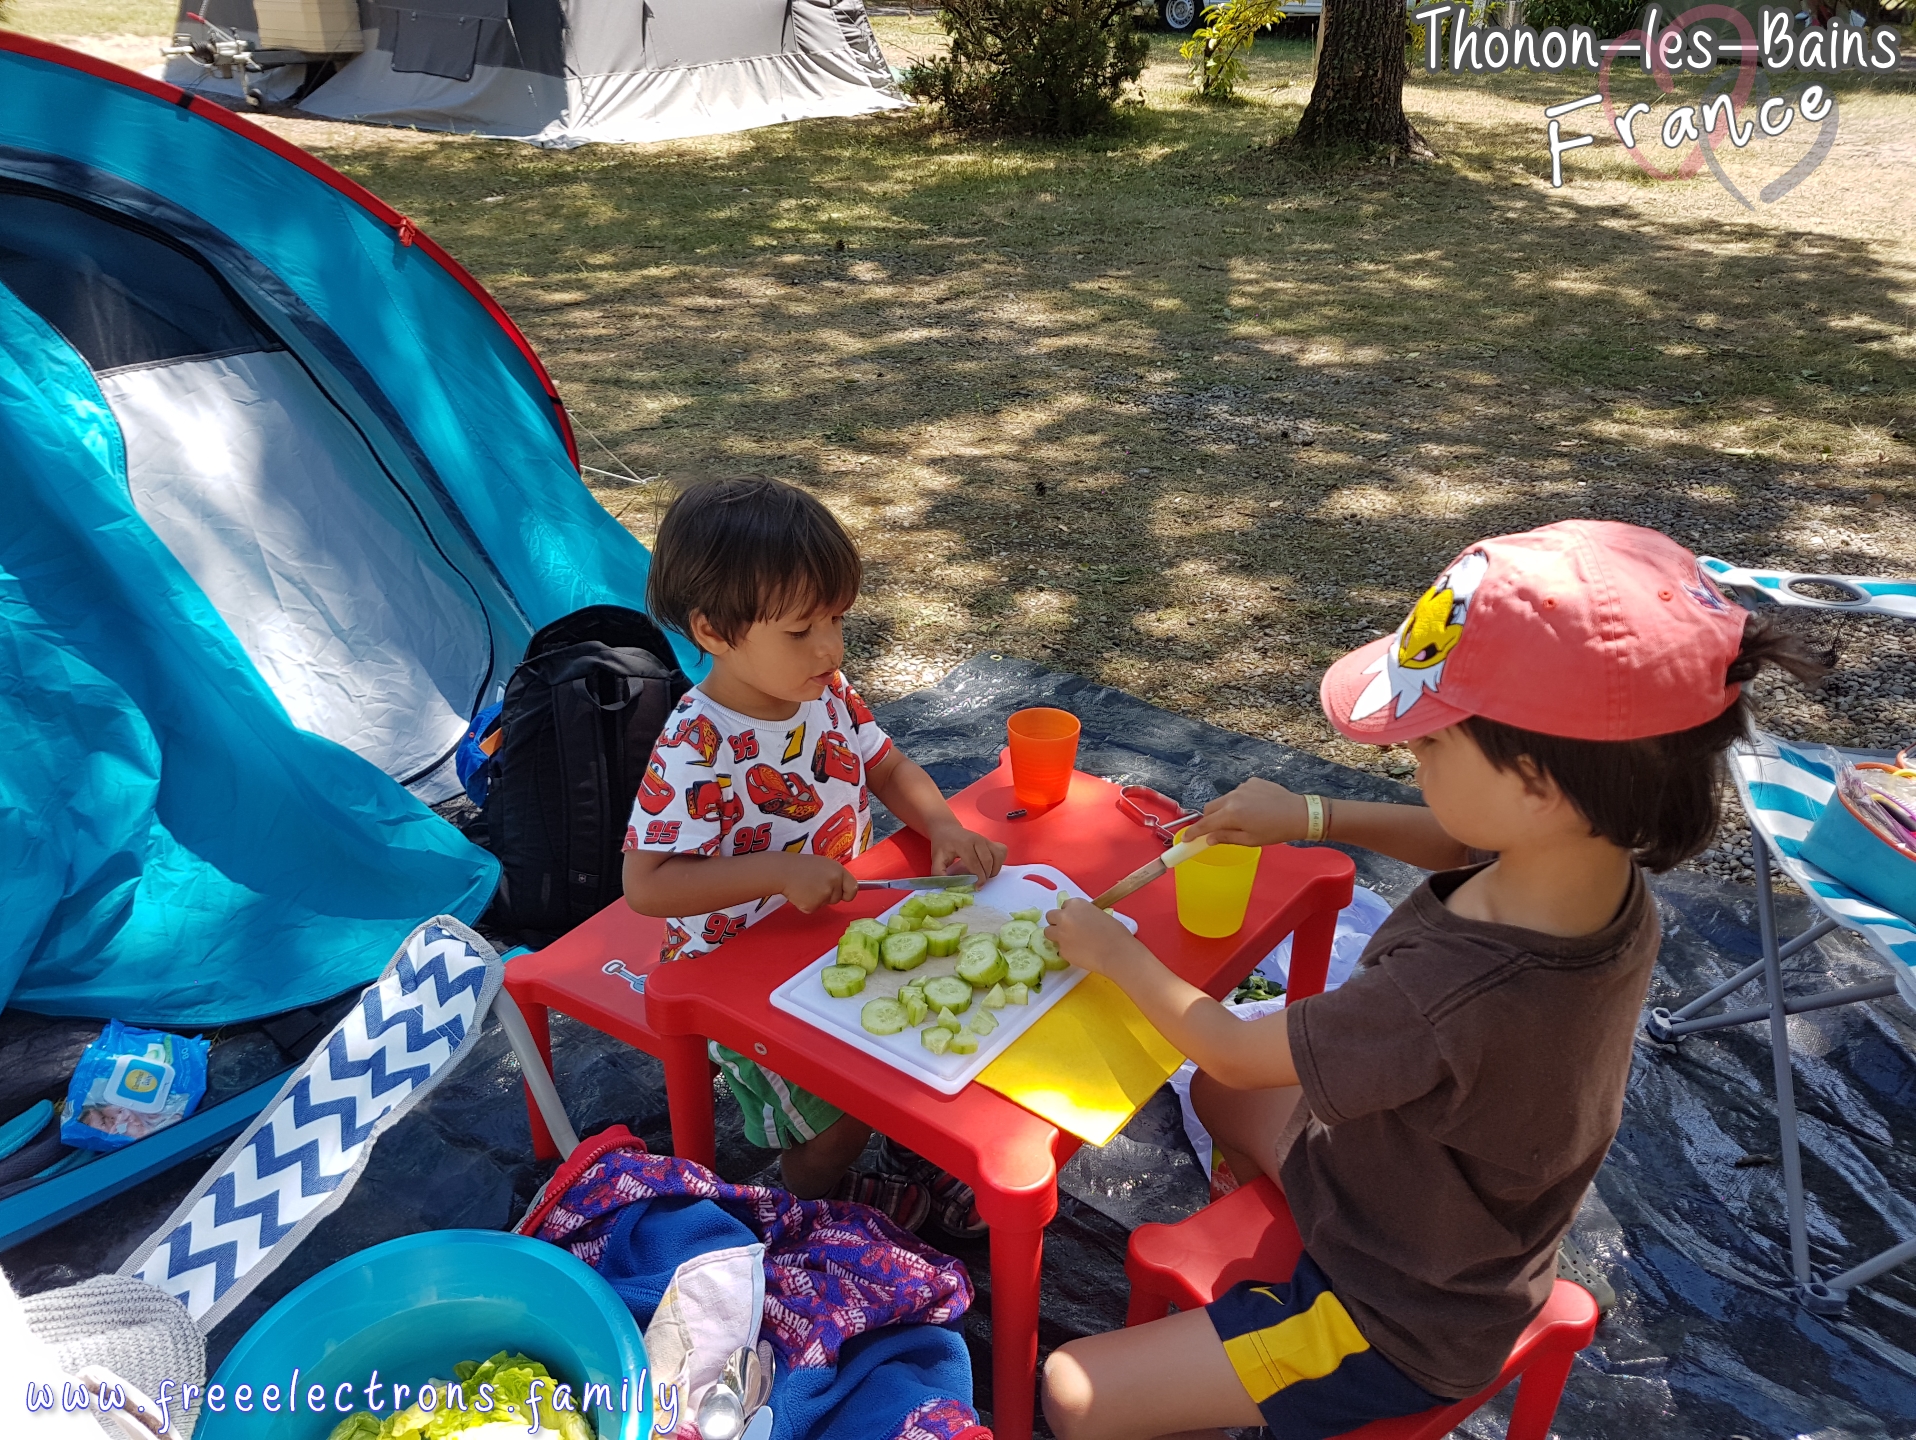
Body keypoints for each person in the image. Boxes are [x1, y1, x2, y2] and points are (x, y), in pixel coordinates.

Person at [1038, 521, 1822, 1440]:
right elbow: (1460, 839)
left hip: (1399, 1314)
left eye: (1429, 749)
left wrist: (1111, 948)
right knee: (1212, 1099)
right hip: (1424, 1198)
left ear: (1535, 783)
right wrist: (1309, 813)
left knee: (1072, 1389)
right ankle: (1256, 1270)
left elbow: (1237, 1048)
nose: (1410, 758)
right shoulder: (1594, 872)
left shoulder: (1450, 990)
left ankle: (1274, 1337)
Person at [623, 475, 1006, 1235]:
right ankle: (811, 1197)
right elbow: (646, 885)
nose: (830, 648)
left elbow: (888, 766)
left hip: (832, 931)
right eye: (802, 631)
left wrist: (943, 826)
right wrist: (777, 870)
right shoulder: (697, 744)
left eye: (836, 620)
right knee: (837, 1123)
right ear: (713, 632)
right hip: (734, 969)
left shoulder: (826, 690)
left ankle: (898, 1151)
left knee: (921, 1039)